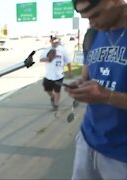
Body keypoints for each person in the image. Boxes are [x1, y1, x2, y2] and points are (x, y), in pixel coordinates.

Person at [66, 0, 127, 179]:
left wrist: (107, 96)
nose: (92, 23)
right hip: (87, 140)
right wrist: (80, 85)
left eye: (96, 15)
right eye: (86, 18)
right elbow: (87, 77)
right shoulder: (92, 34)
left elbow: (103, 93)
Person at [39, 36, 72, 111]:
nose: (55, 42)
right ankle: (52, 96)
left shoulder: (62, 50)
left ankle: (56, 104)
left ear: (58, 41)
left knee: (57, 91)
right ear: (50, 41)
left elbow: (68, 61)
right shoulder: (46, 50)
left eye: (56, 41)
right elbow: (41, 59)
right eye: (53, 41)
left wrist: (70, 72)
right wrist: (48, 59)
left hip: (59, 75)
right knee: (47, 89)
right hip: (48, 75)